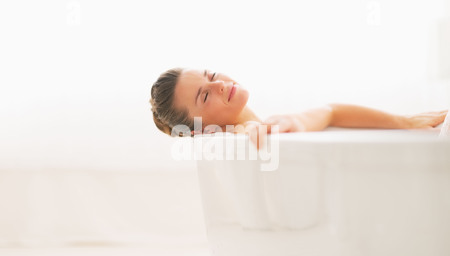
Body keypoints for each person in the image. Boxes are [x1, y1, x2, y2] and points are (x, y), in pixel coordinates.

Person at [150, 67, 448, 147]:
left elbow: (333, 111)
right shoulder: (246, 135)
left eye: (211, 75)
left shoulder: (260, 126)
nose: (219, 85)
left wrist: (405, 122)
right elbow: (251, 133)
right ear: (200, 132)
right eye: (205, 96)